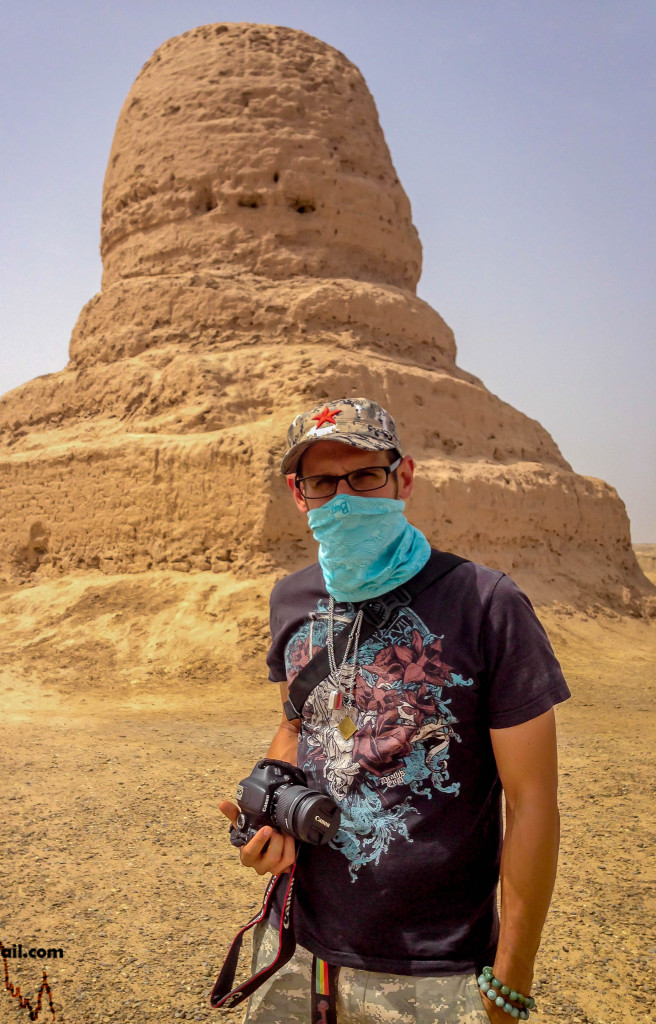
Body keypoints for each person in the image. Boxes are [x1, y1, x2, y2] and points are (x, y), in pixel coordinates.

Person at [219, 397, 570, 1024]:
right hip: (294, 950)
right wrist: (267, 814)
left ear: (402, 477)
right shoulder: (291, 599)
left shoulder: (486, 604)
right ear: (299, 495)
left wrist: (512, 976)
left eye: (364, 476)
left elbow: (533, 800)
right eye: (323, 482)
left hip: (433, 974)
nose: (345, 496)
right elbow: (295, 726)